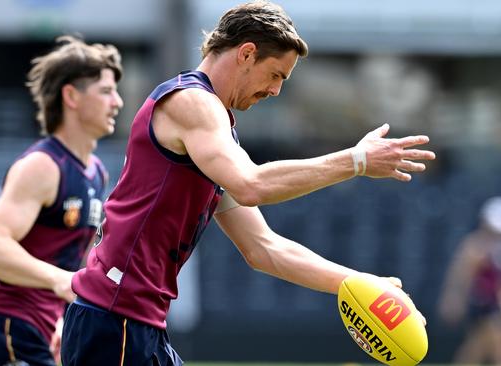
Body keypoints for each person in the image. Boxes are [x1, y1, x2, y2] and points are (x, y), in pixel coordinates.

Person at [61, 2, 435, 365]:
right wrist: (355, 161)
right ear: (246, 53)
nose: (275, 91)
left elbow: (263, 248)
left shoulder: (215, 134)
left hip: (131, 323)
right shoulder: (193, 103)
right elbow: (251, 184)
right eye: (275, 75)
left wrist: (363, 285)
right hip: (114, 321)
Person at [0, 35, 124, 366]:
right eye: (105, 91)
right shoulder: (44, 166)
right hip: (4, 329)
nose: (117, 102)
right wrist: (61, 281)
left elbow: (67, 260)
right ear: (71, 96)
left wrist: (64, 316)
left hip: (41, 331)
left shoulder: (96, 173)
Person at [438, 196, 501, 364]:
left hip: (495, 305)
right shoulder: (475, 246)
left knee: (481, 346)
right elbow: (462, 275)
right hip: (482, 304)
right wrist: (454, 300)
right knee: (498, 344)